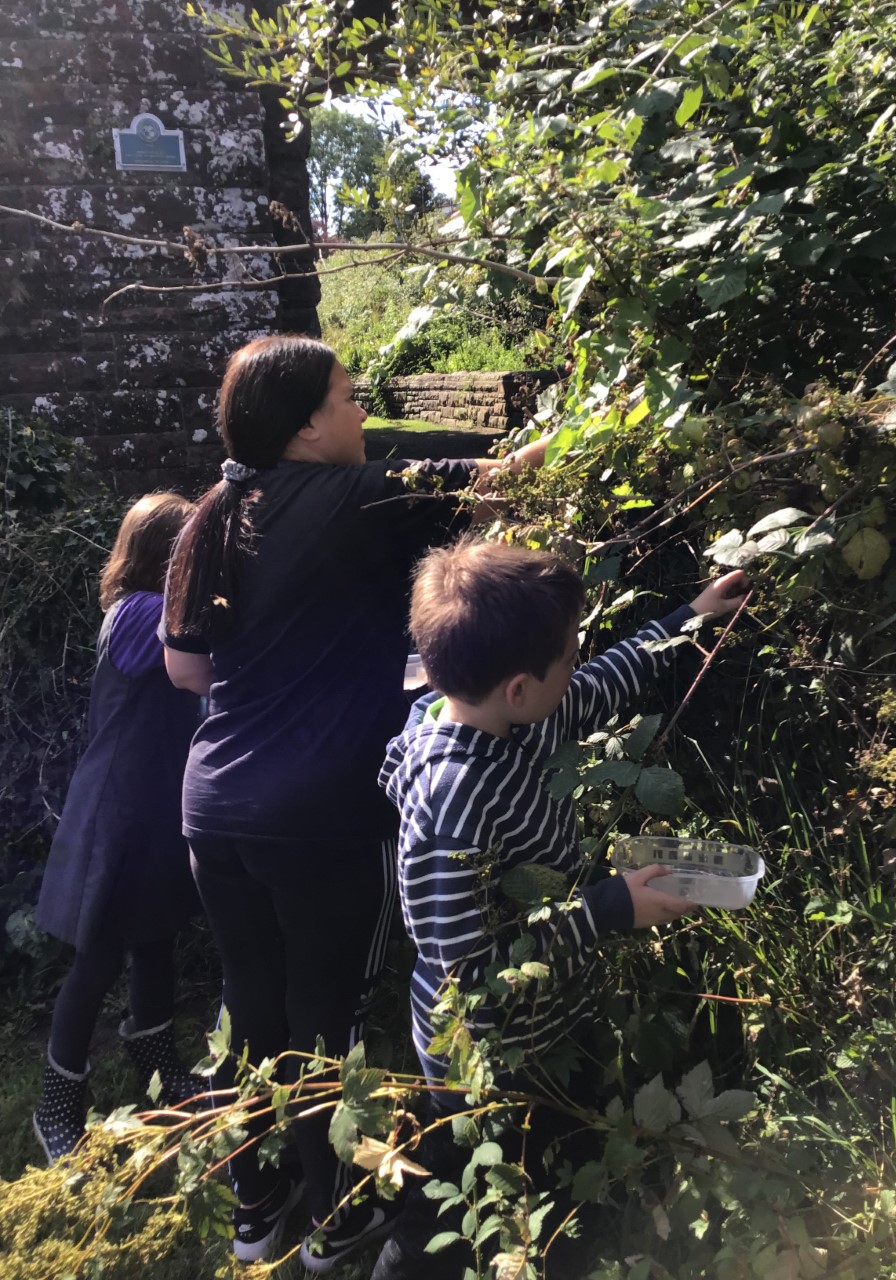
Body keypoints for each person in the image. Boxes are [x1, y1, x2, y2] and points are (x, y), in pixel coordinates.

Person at [159, 334, 552, 1270]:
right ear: (303, 426)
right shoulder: (360, 496)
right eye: (347, 397)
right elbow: (514, 472)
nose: (362, 413)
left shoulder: (212, 511)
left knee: (253, 1005)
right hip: (322, 806)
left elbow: (185, 667)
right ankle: (341, 1223)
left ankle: (261, 1208)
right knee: (326, 1018)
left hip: (213, 805)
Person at [374, 540, 750, 1279]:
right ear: (518, 687)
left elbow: (601, 684)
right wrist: (607, 911)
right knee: (454, 1194)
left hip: (551, 1020)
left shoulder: (519, 715)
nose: (577, 665)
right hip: (481, 1057)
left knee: (565, 1156)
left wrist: (689, 617)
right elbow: (466, 976)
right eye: (566, 656)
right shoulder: (453, 800)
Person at [33, 492, 203, 1165]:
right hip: (116, 810)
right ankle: (57, 1103)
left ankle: (157, 1067)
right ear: (166, 554)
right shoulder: (137, 613)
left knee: (155, 937)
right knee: (98, 956)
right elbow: (193, 660)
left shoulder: (150, 609)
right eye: (190, 544)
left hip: (152, 802)